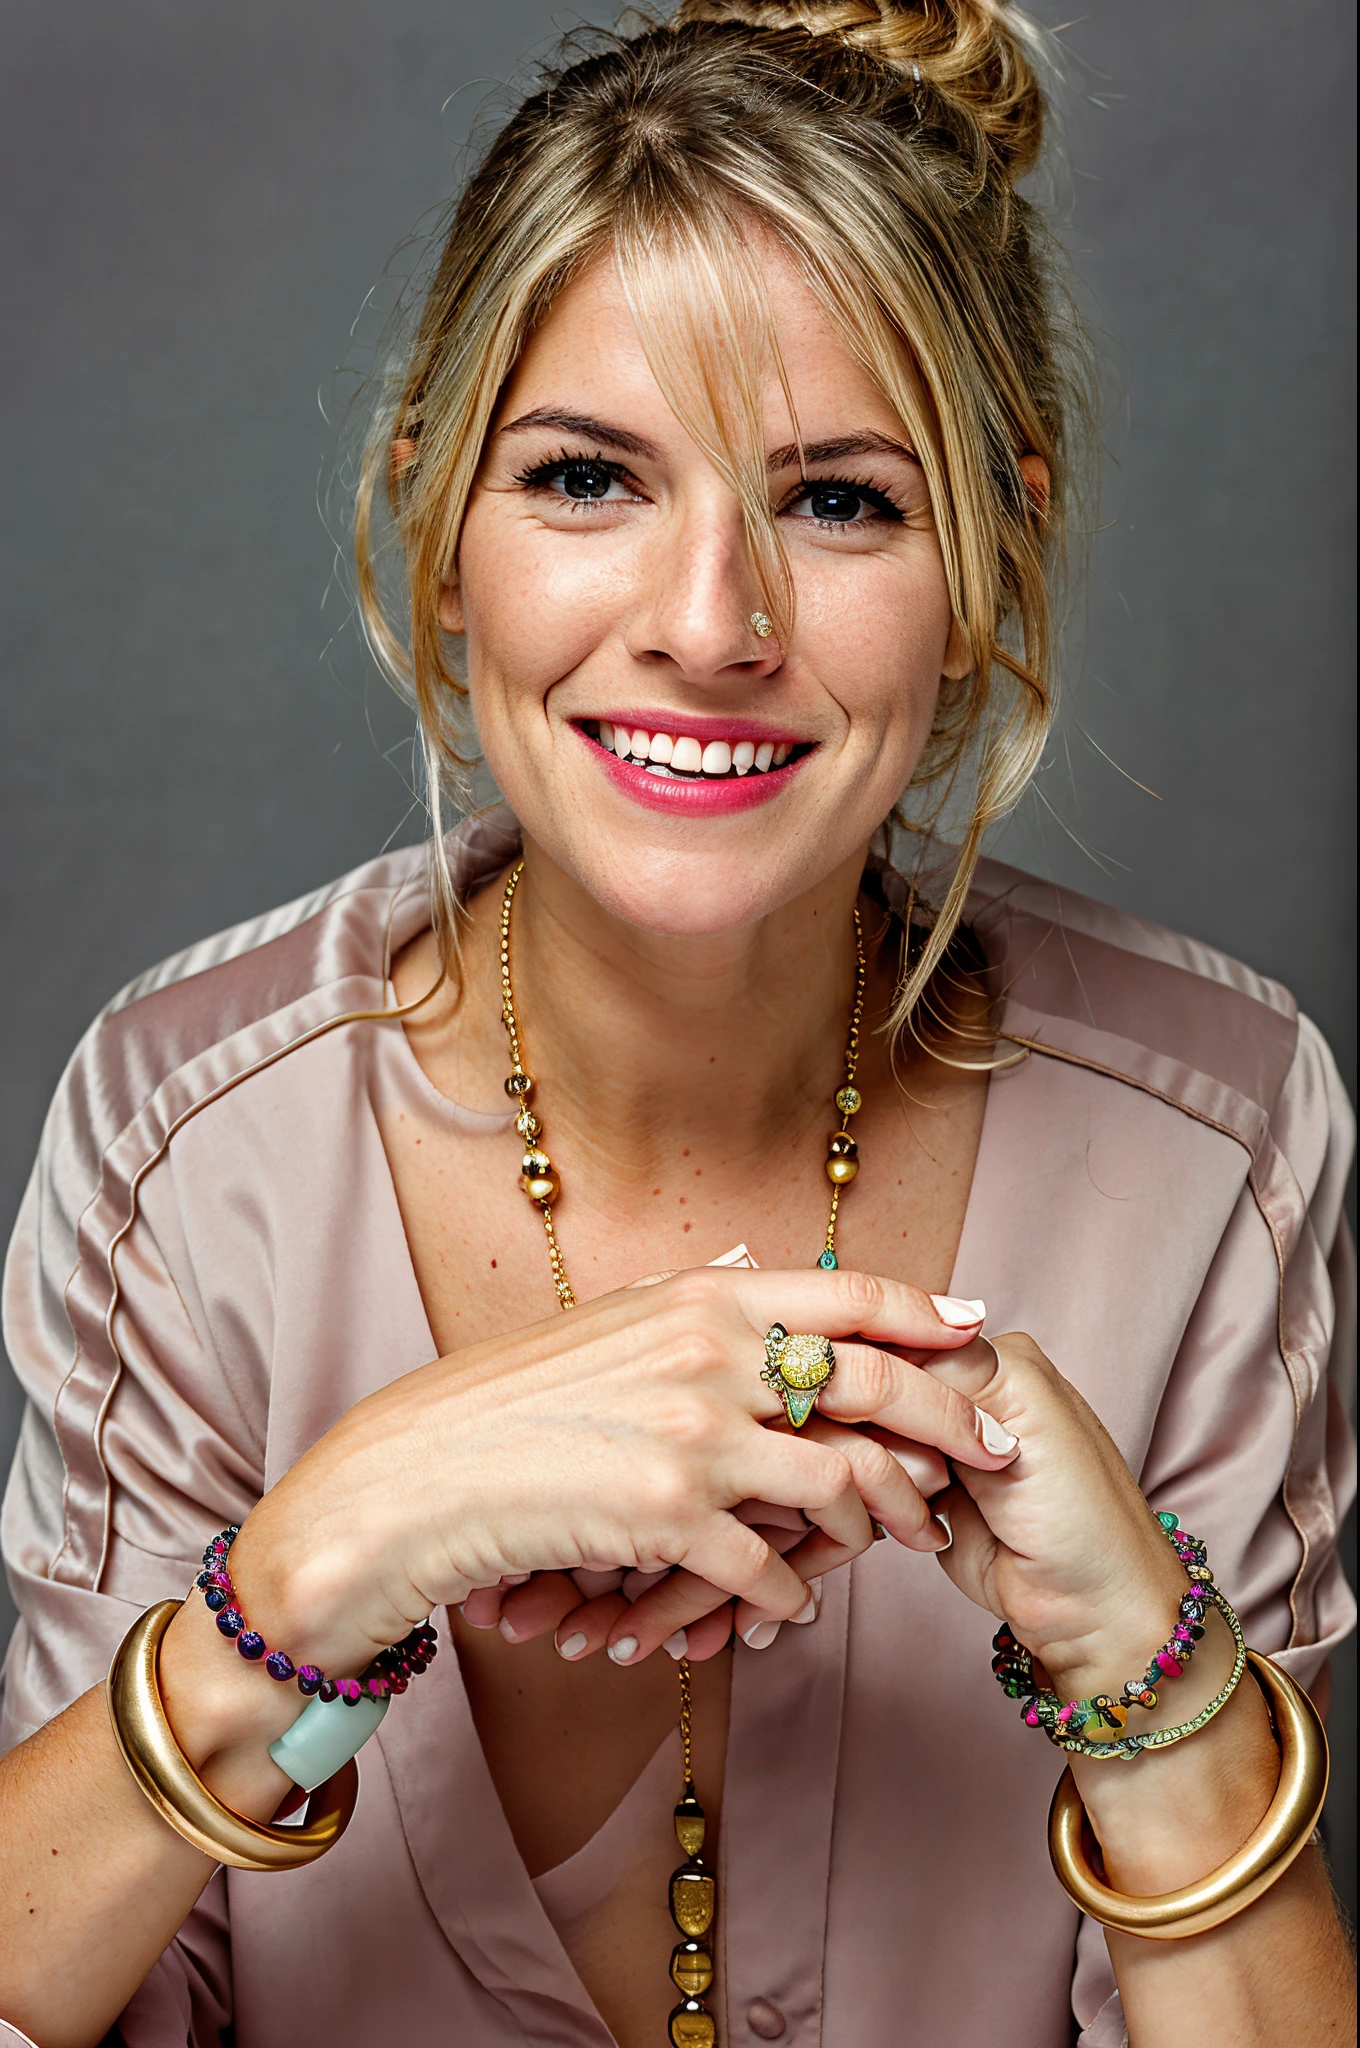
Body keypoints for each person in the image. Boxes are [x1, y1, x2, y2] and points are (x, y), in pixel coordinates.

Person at [0, 3, 1354, 2044]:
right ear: (442, 533)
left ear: (987, 563)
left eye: (834, 503)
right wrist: (336, 1545)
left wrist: (1149, 1673)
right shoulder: (187, 1140)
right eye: (584, 479)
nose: (708, 624)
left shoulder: (1213, 1139)